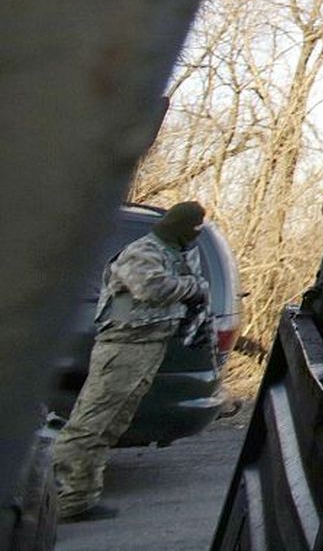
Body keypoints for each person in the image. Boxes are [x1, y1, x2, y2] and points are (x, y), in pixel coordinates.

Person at [52, 201, 210, 522]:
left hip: (147, 347)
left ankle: (78, 499)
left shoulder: (174, 253)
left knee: (111, 425)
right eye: (193, 228)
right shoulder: (143, 251)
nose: (195, 235)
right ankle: (54, 498)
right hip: (122, 348)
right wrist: (193, 288)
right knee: (90, 424)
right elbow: (149, 288)